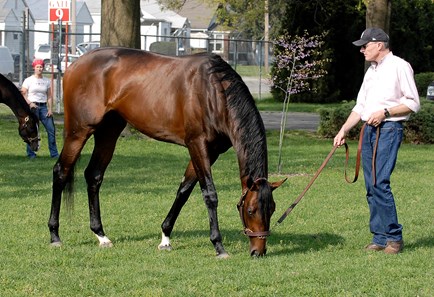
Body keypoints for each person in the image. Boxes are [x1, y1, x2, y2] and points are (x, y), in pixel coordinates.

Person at [333, 28, 420, 254]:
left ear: (379, 44)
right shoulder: (370, 71)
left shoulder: (400, 66)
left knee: (380, 183)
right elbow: (360, 106)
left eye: (365, 45)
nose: (361, 50)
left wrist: (385, 112)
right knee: (371, 186)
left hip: (389, 129)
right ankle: (379, 237)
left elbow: (413, 103)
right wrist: (343, 130)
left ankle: (394, 238)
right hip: (369, 132)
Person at [21, 59, 59, 159]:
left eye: (41, 67)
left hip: (43, 108)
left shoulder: (46, 81)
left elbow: (49, 96)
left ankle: (54, 154)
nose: (39, 69)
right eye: (37, 67)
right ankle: (31, 154)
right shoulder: (29, 80)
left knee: (51, 130)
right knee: (32, 131)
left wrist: (50, 109)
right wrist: (30, 103)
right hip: (32, 108)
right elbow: (23, 93)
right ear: (34, 68)